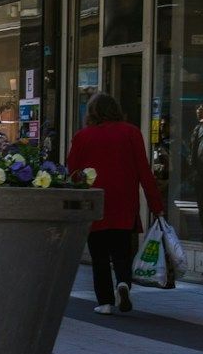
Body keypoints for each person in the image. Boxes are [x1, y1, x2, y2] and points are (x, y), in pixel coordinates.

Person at [68, 91, 164, 315]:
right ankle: (123, 282)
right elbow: (144, 171)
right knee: (122, 251)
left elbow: (72, 172)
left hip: (96, 201)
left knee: (99, 256)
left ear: (91, 113)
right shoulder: (131, 133)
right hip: (124, 202)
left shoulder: (83, 136)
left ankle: (105, 302)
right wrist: (155, 204)